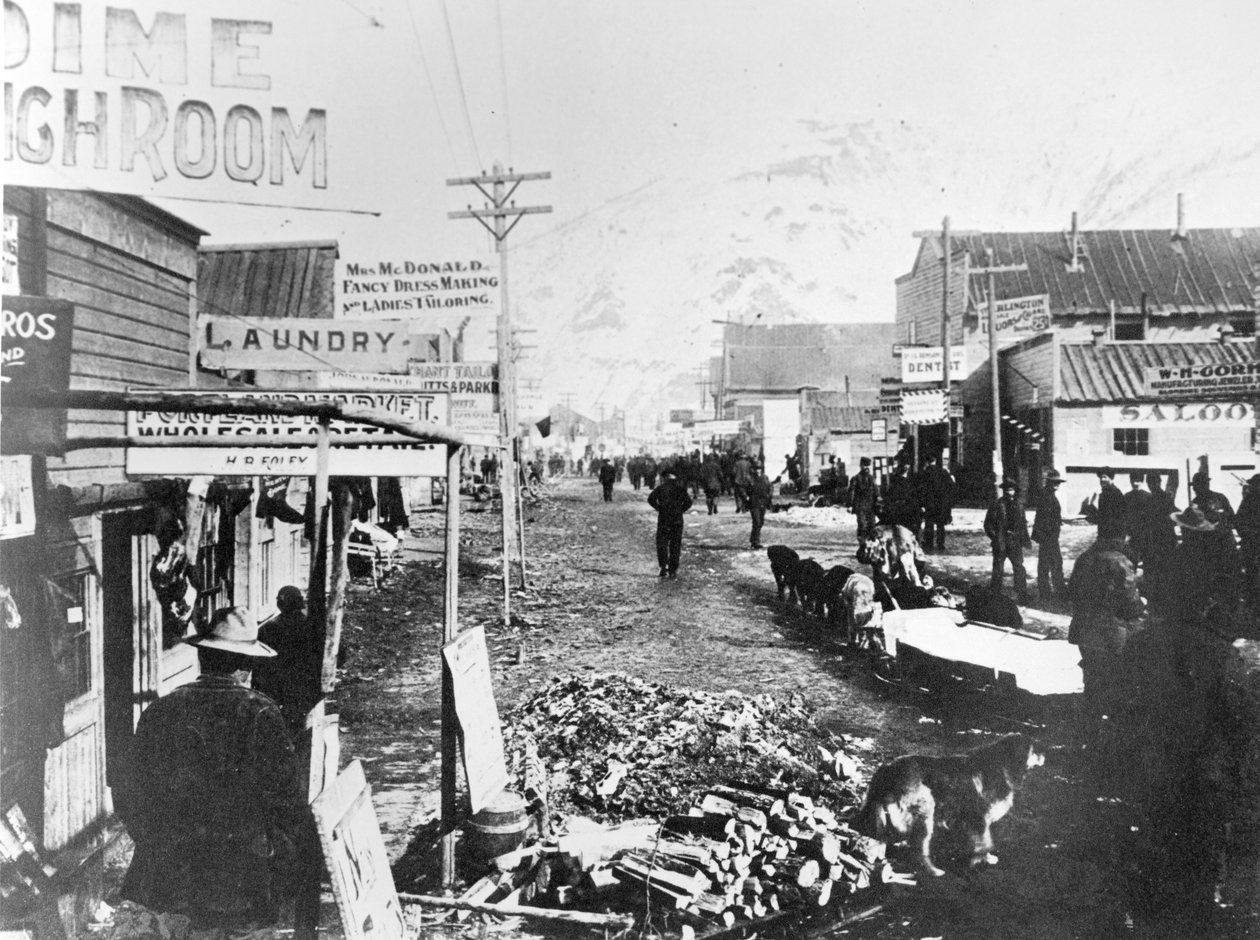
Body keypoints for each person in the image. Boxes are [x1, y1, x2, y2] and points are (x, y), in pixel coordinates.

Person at [116, 607, 309, 936]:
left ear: (202, 657)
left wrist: (155, 842)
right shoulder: (261, 712)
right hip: (238, 882)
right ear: (245, 665)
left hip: (167, 877)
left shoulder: (161, 710)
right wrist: (275, 853)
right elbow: (287, 802)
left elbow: (128, 792)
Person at [1068, 535, 1146, 752]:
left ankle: (1088, 738)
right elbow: (1131, 606)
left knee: (1092, 682)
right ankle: (1115, 744)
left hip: (1085, 630)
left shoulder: (1084, 558)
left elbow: (1071, 592)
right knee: (1118, 683)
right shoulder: (1121, 561)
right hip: (1110, 633)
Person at [253, 587, 321, 735]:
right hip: (304, 692)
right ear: (300, 603)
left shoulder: (267, 629)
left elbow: (258, 665)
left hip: (274, 693)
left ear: (279, 604)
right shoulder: (314, 627)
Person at [984, 477, 1031, 603]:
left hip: (1014, 541)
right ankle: (995, 593)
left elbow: (1023, 525)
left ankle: (1021, 593)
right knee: (998, 567)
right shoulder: (997, 505)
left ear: (1015, 491)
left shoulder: (1019, 506)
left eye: (1012, 490)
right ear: (1004, 491)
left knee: (1019, 567)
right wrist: (996, 537)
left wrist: (1025, 540)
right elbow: (988, 525)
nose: (1010, 493)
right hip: (1001, 542)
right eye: (1008, 490)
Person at [647, 468, 692, 578]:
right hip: (677, 520)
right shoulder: (680, 489)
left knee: (662, 543)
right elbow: (688, 502)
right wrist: (680, 510)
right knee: (675, 544)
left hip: (664, 519)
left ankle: (663, 567)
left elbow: (650, 499)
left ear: (665, 478)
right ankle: (673, 569)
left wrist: (658, 508)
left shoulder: (660, 489)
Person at [1032, 468, 1068, 602]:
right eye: (1054, 482)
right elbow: (1045, 519)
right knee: (1054, 563)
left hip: (1049, 536)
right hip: (1048, 536)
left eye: (1058, 482)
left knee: (1046, 564)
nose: (1057, 485)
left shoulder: (1049, 495)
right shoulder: (1047, 497)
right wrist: (1050, 535)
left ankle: (1046, 591)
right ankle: (1057, 592)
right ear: (1049, 483)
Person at [918, 455, 955, 551]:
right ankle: (940, 544)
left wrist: (922, 503)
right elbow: (951, 487)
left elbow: (921, 490)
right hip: (941, 504)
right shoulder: (943, 472)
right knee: (940, 525)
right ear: (935, 461)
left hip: (929, 504)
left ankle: (928, 544)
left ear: (926, 462)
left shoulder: (924, 473)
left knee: (929, 524)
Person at [848, 457, 880, 554]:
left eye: (867, 465)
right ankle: (862, 547)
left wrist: (878, 501)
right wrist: (850, 505)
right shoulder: (855, 479)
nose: (866, 467)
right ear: (860, 466)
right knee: (862, 526)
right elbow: (851, 492)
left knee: (872, 526)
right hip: (860, 506)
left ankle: (872, 547)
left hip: (871, 506)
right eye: (864, 465)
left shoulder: (871, 478)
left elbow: (876, 492)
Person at [1122, 472, 1152, 564]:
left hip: (1145, 533)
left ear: (1142, 482)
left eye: (1138, 481)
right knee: (1132, 559)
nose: (1135, 483)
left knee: (1147, 559)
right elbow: (1124, 515)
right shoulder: (1127, 497)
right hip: (1132, 533)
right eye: (1133, 480)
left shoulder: (1148, 496)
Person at [747, 460, 773, 550]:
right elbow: (745, 489)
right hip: (754, 502)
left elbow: (770, 487)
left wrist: (769, 495)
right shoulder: (750, 478)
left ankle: (753, 539)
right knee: (757, 521)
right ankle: (756, 542)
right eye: (756, 469)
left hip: (763, 502)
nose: (758, 470)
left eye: (759, 469)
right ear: (753, 469)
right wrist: (746, 497)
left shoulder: (765, 478)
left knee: (760, 522)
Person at [1095, 469, 1126, 540]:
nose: (1102, 479)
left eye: (1104, 477)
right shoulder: (1103, 494)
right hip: (1104, 533)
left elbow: (1121, 516)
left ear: (1111, 478)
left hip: (1114, 535)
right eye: (1100, 478)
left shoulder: (1116, 493)